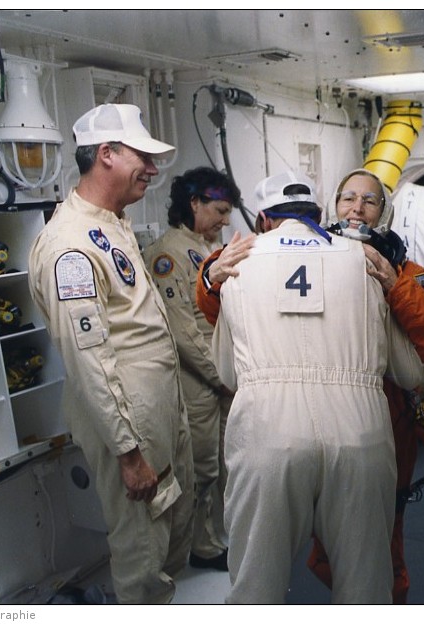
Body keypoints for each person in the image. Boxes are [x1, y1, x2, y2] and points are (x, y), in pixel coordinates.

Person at [195, 168, 424, 603]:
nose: (357, 208)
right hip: (363, 430)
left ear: (263, 219)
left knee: (256, 584)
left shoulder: (399, 270)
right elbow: (414, 370)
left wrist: (398, 285)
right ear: (324, 210)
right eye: (349, 198)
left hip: (273, 430)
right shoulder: (365, 267)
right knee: (365, 583)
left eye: (370, 201)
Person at [28, 103, 195, 604]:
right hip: (128, 423)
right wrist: (127, 452)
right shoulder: (70, 246)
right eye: (142, 156)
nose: (152, 167)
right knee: (141, 549)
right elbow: (89, 358)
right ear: (106, 154)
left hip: (156, 408)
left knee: (167, 533)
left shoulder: (112, 224)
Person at [142, 167, 242, 572]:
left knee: (223, 462)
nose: (226, 219)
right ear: (194, 203)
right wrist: (222, 378)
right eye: (219, 210)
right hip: (198, 380)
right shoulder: (168, 256)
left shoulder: (206, 250)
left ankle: (215, 536)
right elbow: (184, 331)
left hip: (219, 377)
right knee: (202, 468)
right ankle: (200, 546)